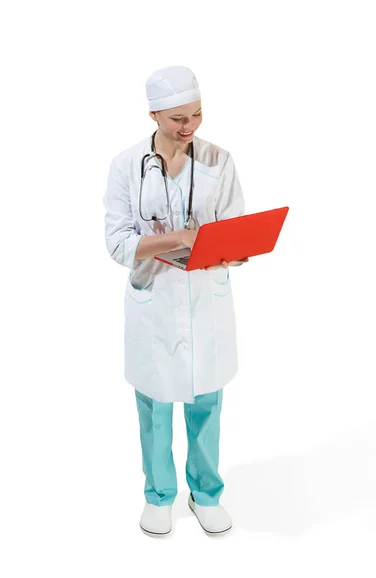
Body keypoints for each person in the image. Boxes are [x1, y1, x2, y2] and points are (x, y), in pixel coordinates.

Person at [103, 65, 249, 537]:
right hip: (154, 303)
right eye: (177, 119)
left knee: (208, 399)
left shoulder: (219, 161)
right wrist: (179, 240)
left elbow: (233, 228)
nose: (189, 127)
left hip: (206, 297)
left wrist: (235, 249)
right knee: (155, 403)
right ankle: (159, 495)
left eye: (197, 115)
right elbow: (118, 243)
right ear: (153, 115)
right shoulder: (127, 165)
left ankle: (206, 492)